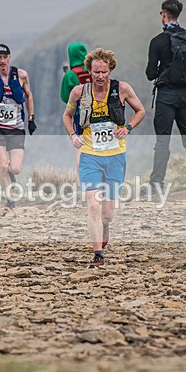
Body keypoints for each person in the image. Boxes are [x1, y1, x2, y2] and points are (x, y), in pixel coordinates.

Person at [63, 48, 145, 268]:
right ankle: (98, 253)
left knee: (107, 213)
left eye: (104, 72)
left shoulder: (123, 89)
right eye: (96, 72)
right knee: (93, 205)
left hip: (115, 156)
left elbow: (140, 111)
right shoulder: (79, 92)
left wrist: (127, 127)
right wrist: (73, 136)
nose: (100, 76)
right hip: (90, 155)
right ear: (89, 71)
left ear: (110, 70)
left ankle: (105, 226)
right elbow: (67, 116)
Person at [145, 0, 186, 193]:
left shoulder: (157, 41)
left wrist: (161, 69)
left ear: (164, 14)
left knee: (162, 141)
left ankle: (156, 184)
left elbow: (150, 74)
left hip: (166, 96)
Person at [0, 44, 35, 211]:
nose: (2, 61)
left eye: (5, 57)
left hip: (16, 128)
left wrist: (31, 118)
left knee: (15, 168)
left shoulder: (22, 75)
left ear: (9, 57)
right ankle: (9, 201)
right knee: (3, 165)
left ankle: (12, 176)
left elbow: (28, 95)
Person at [60, 42, 91, 177]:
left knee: (80, 150)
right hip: (97, 115)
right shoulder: (93, 71)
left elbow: (65, 98)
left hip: (80, 117)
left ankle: (83, 183)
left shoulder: (70, 75)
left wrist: (65, 77)